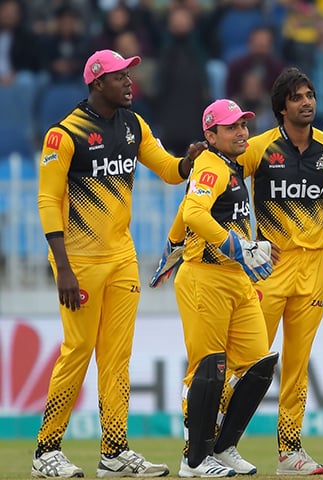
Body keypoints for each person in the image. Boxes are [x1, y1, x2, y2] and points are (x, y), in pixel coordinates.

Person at [33, 49, 203, 478]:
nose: (129, 82)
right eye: (119, 77)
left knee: (116, 357)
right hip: (80, 261)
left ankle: (114, 451)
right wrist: (64, 268)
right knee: (77, 351)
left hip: (122, 257)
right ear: (96, 83)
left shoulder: (133, 124)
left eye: (129, 75)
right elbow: (48, 201)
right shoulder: (64, 134)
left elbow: (167, 170)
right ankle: (46, 450)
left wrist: (188, 161)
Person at [236, 66, 323, 476]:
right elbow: (225, 190)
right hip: (270, 269)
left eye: (310, 95)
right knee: (247, 363)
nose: (307, 103)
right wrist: (242, 245)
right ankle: (214, 444)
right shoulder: (259, 148)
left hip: (314, 268)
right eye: (297, 97)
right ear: (282, 106)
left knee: (297, 367)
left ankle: (290, 453)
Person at [171, 98, 280, 477]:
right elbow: (194, 212)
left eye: (243, 125)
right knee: (206, 371)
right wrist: (238, 246)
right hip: (205, 277)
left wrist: (171, 244)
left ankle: (222, 447)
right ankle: (194, 459)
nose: (241, 132)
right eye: (232, 126)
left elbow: (185, 214)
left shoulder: (229, 166)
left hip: (235, 279)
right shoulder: (210, 165)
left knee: (256, 364)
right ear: (210, 134)